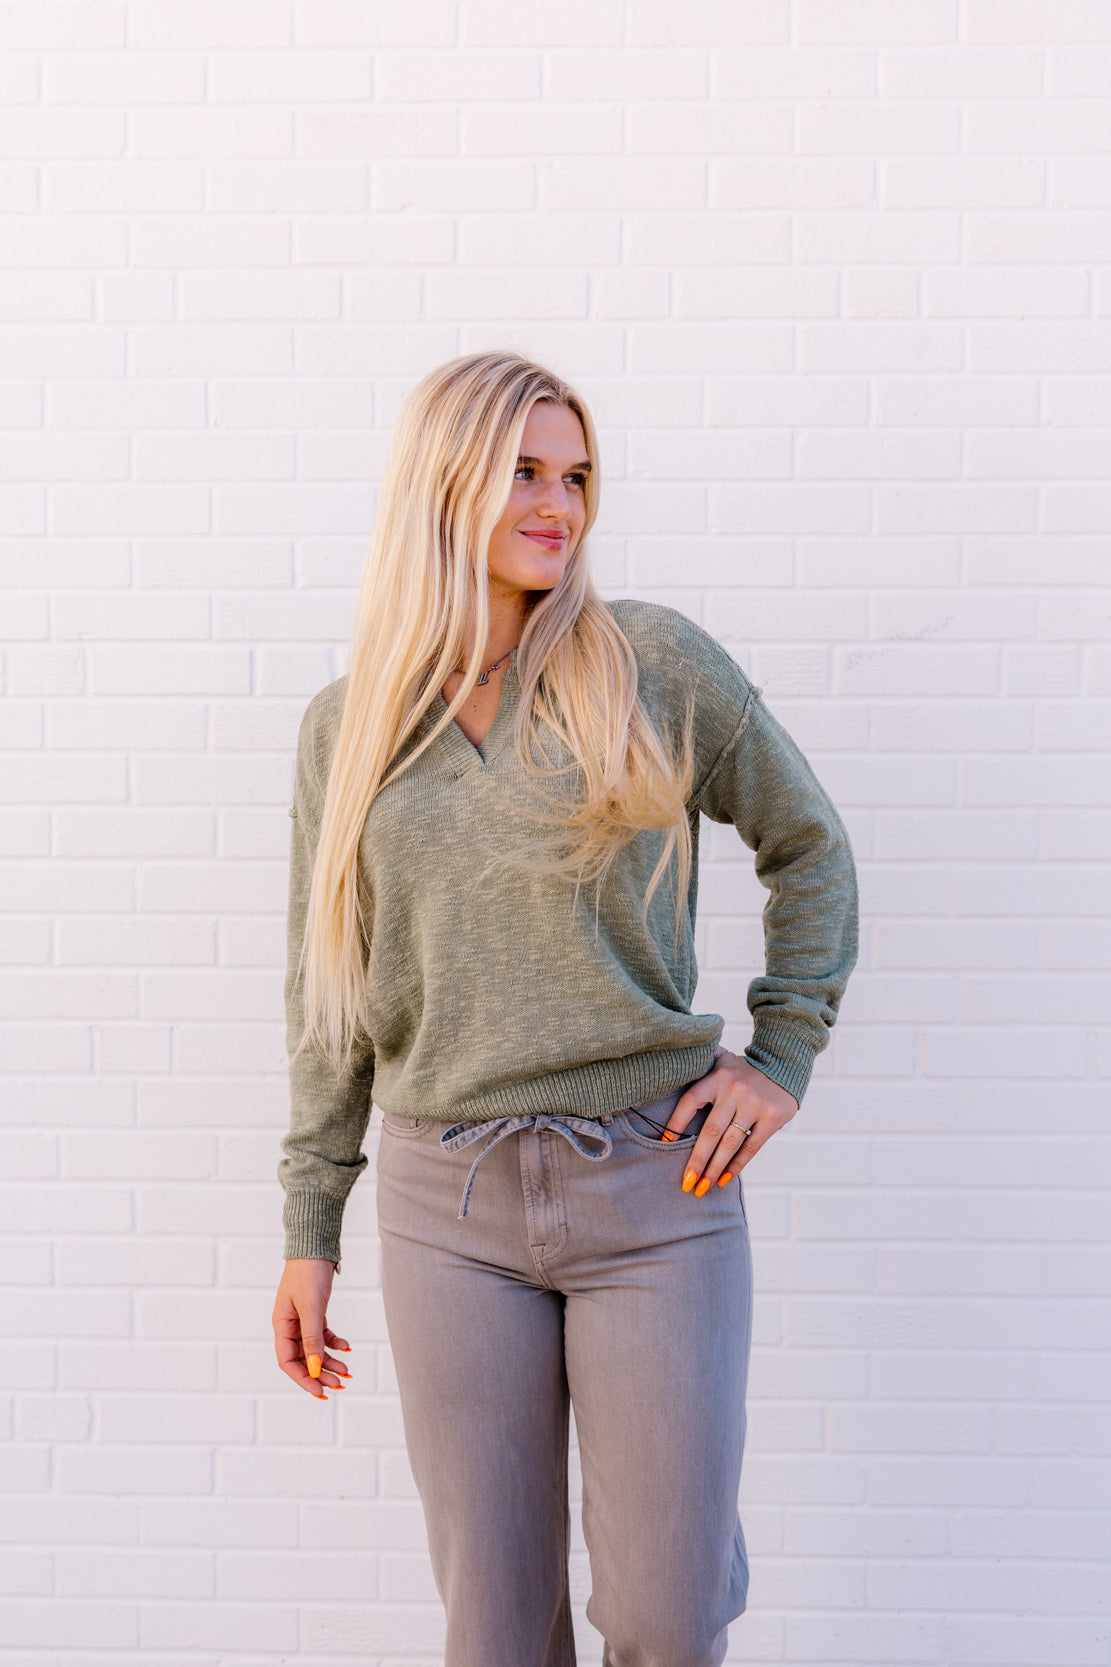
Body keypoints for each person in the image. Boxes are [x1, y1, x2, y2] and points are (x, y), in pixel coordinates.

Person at [271, 349, 858, 1667]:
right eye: (524, 472)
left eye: (578, 476)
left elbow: (810, 847)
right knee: (494, 1629)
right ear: (443, 485)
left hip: (657, 1184)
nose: (560, 505)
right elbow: (328, 994)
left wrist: (781, 1055)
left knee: (666, 1615)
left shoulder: (652, 663)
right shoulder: (348, 728)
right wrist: (311, 1226)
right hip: (447, 1204)